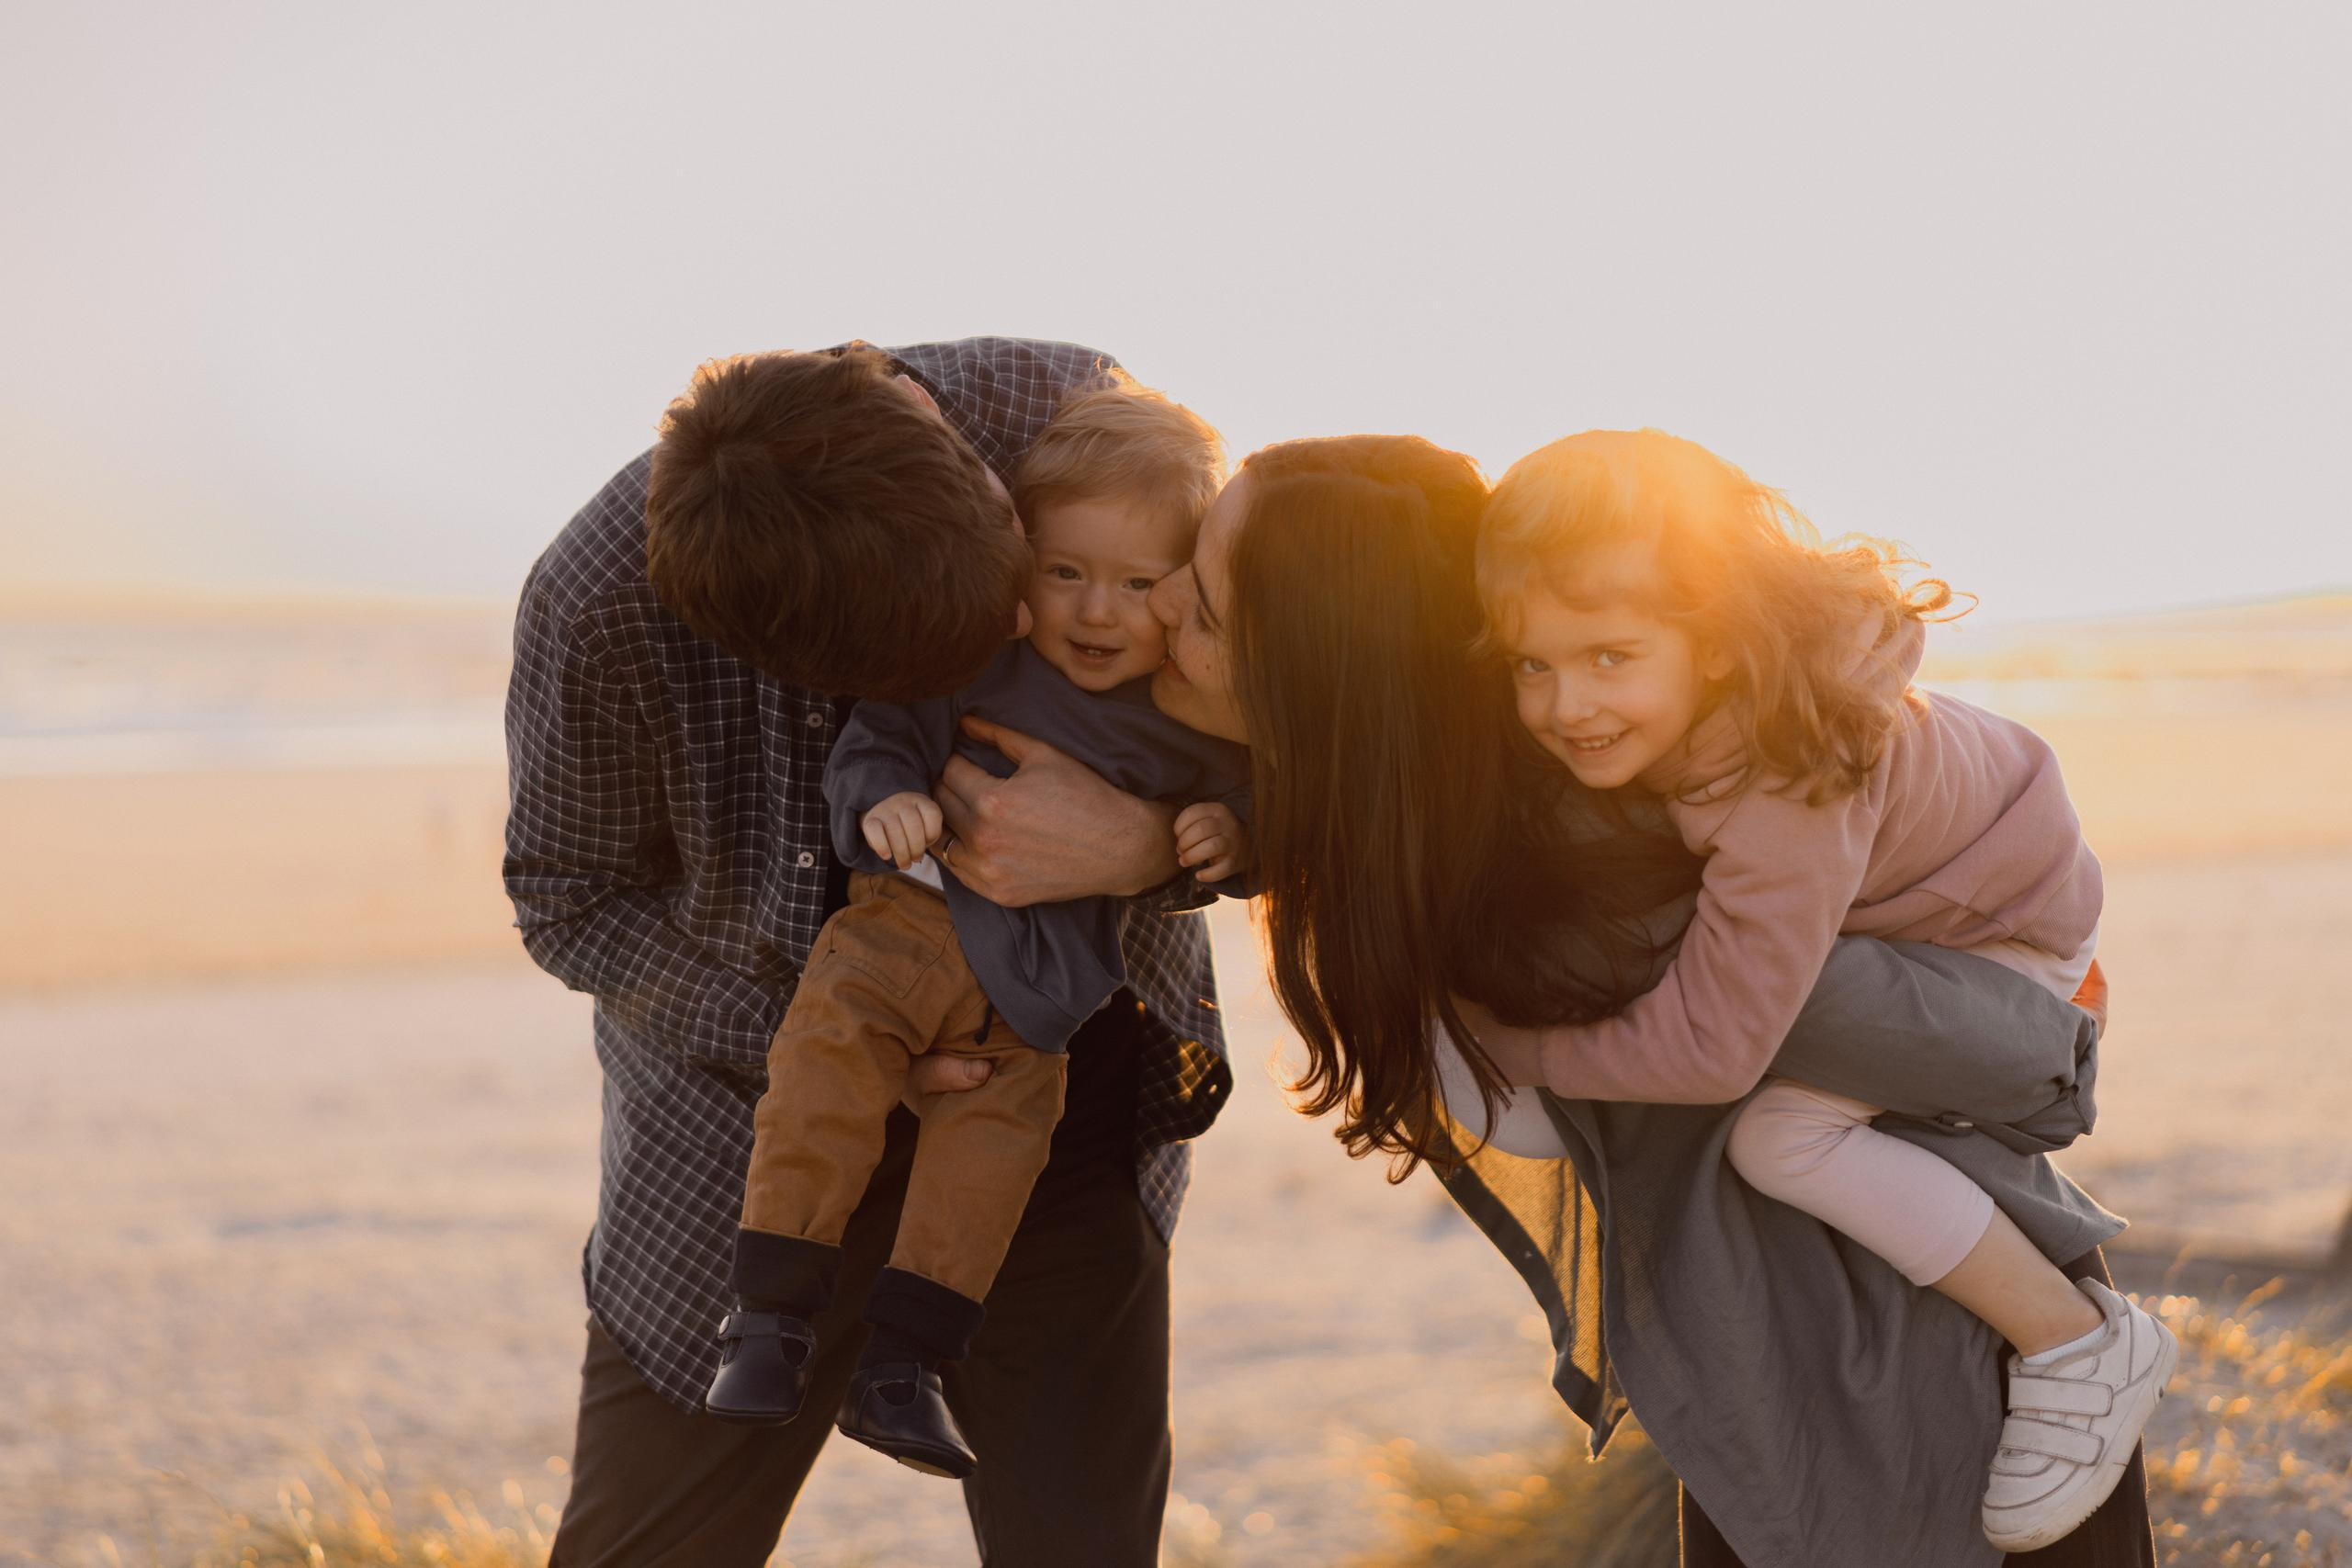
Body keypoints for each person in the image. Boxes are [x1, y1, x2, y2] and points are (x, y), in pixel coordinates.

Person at [1145, 434, 2155, 1567]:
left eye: (1205, 604)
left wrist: (2044, 1021)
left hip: (1915, 1379)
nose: (1158, 609)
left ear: (1318, 665)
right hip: (1784, 1374)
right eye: (1536, 664)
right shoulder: (1519, 821)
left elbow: (1997, 1057)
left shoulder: (1613, 887)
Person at [504, 340, 1233, 1567]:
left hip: (1056, 1089)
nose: (1025, 624)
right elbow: (566, 898)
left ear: (969, 462)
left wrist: (1148, 841)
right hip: (741, 1141)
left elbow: (1300, 729)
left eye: (1019, 569)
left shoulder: (1085, 421)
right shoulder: (599, 602)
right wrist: (834, 1030)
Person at [1472, 429, 2171, 1551]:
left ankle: (2073, 1340)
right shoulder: (1708, 722)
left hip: (1998, 945)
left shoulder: (1784, 770)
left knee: (1780, 1138)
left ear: (1713, 642)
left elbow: (1715, 1052)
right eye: (1530, 666)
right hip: (1941, 904)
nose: (1564, 706)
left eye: (1609, 658)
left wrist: (1521, 1048)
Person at [704, 382, 1250, 1483]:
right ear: (1022, 562)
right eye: (1066, 575)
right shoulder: (975, 655)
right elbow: (877, 736)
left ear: (1185, 590)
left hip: (1038, 998)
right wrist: (882, 802)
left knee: (987, 1169)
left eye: (1138, 585)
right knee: (820, 1078)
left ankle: (905, 1369)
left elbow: (1258, 817)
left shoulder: (1186, 712)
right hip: (897, 936)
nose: (1097, 614)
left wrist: (1221, 832)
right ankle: (766, 1319)